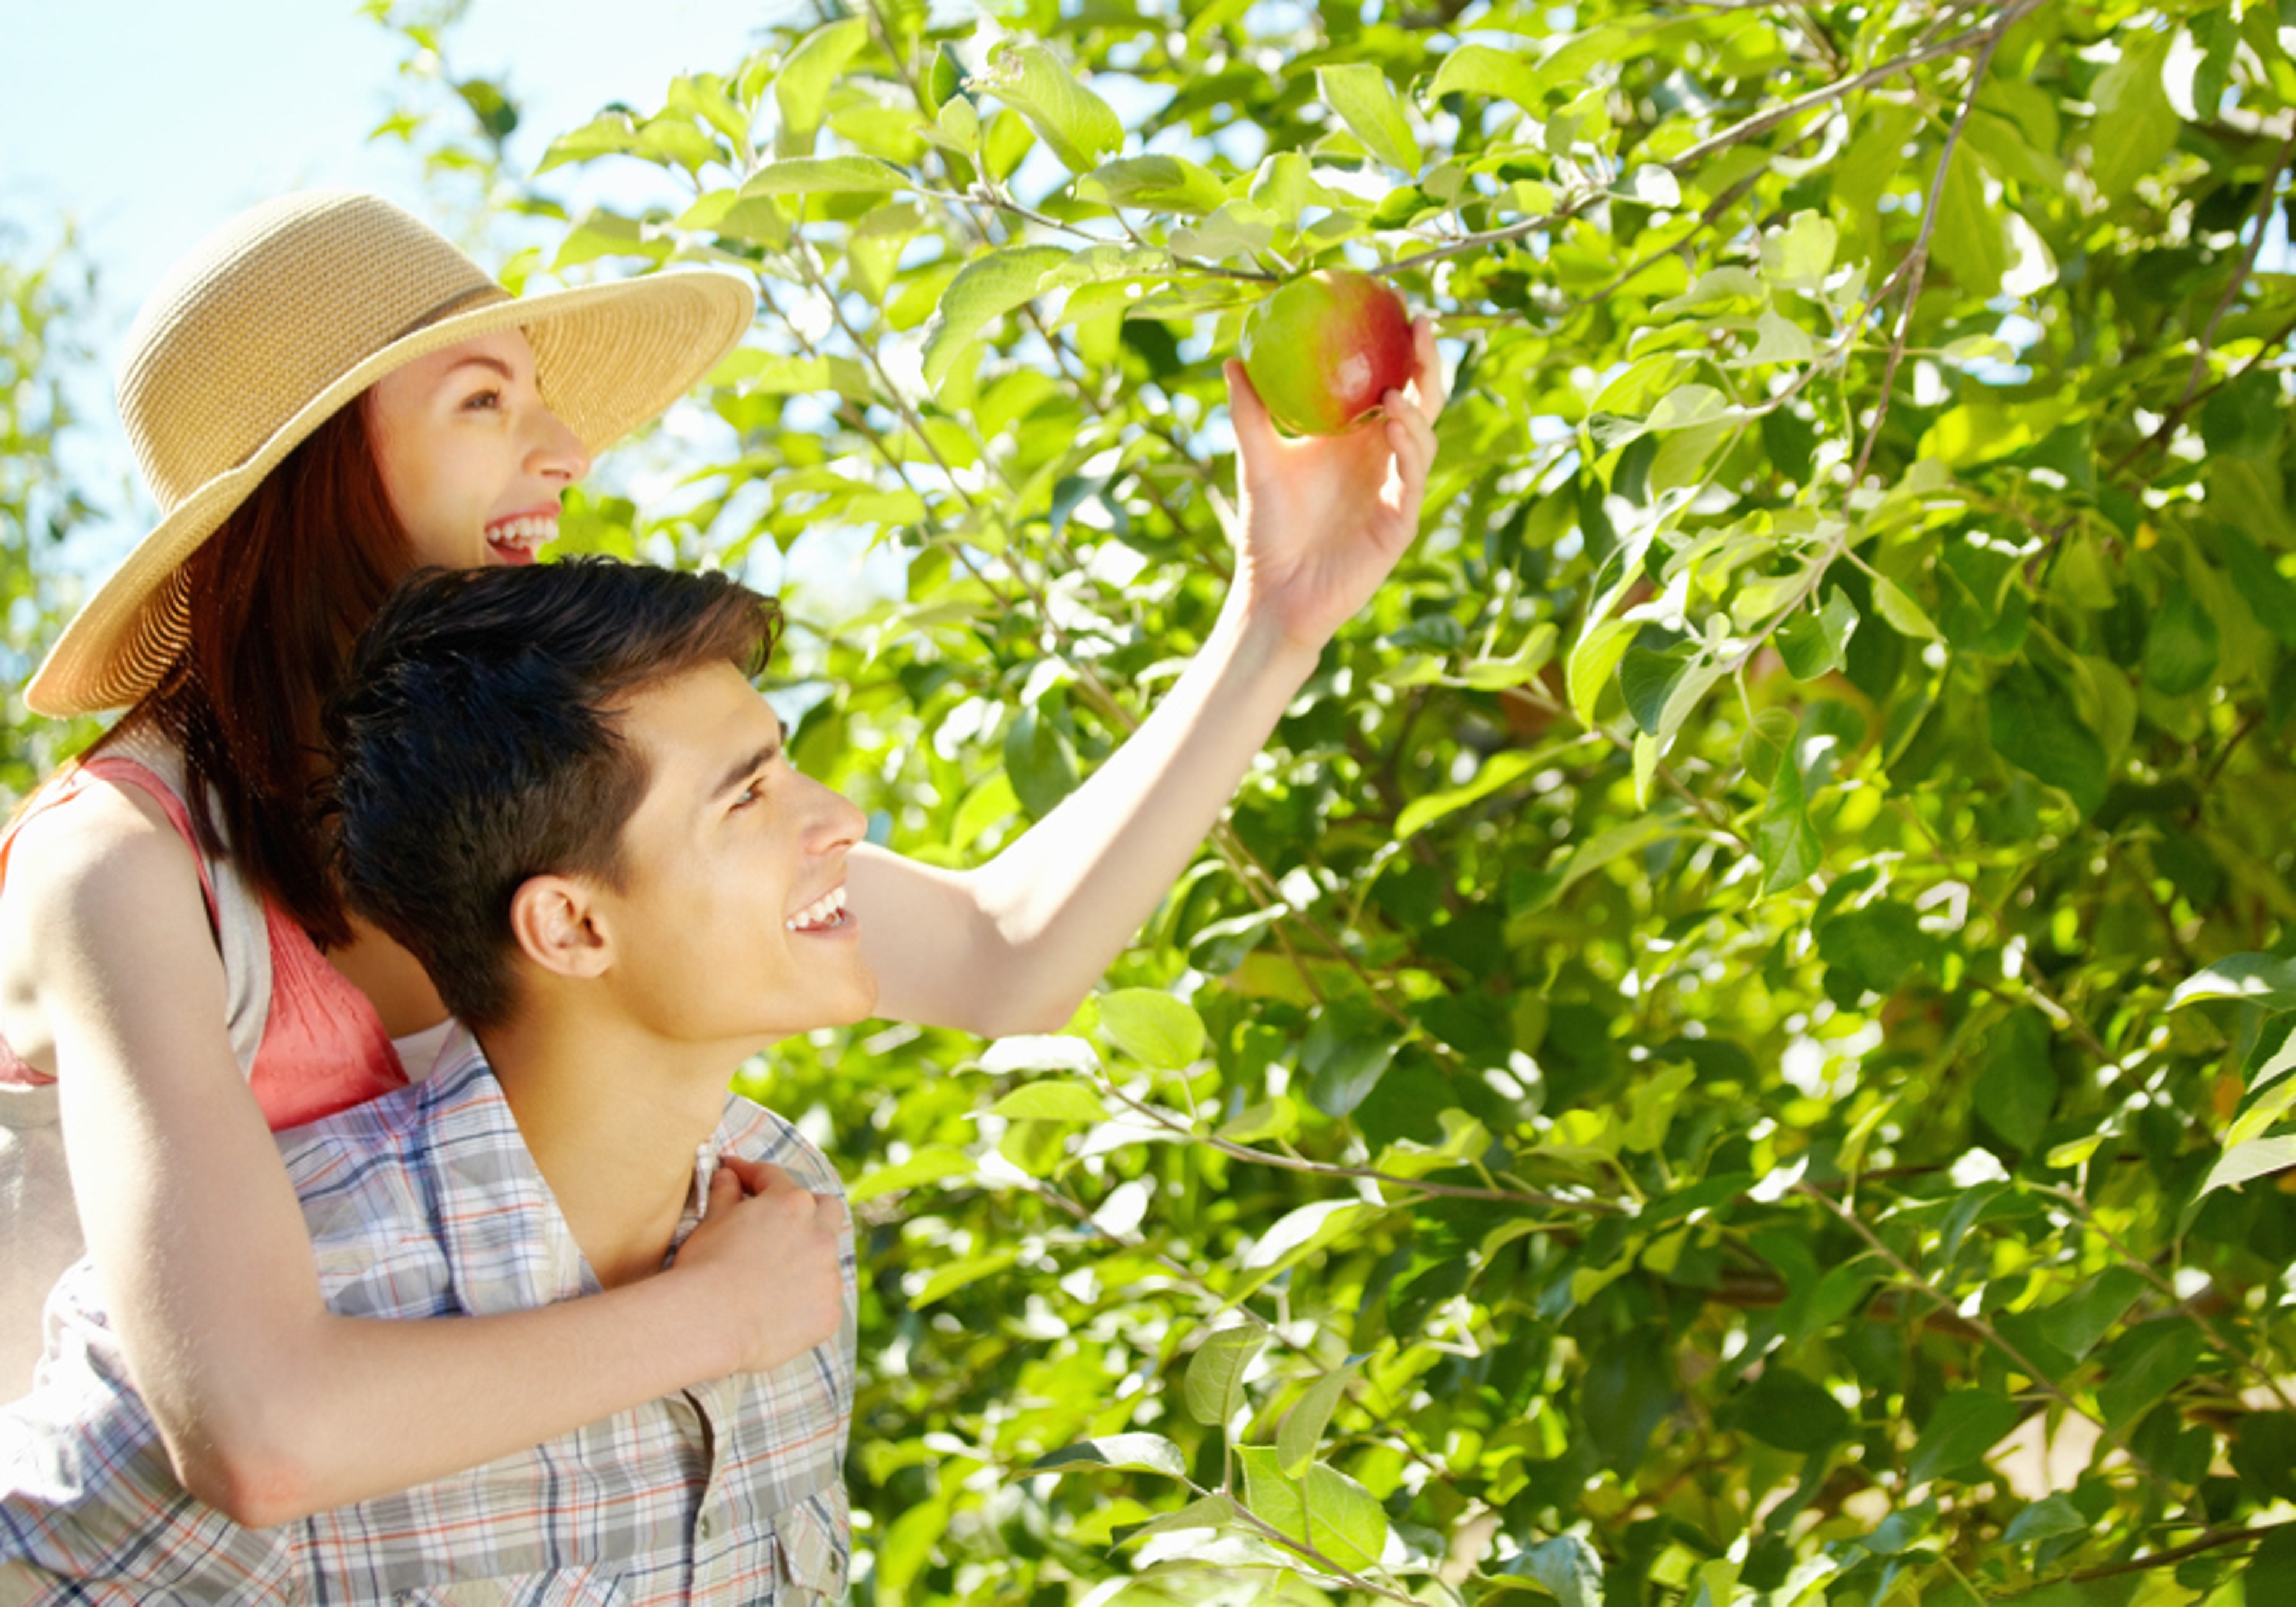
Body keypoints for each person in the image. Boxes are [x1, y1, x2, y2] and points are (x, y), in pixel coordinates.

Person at [0, 188, 1440, 1522]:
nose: (563, 456)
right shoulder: (125, 870)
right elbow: (255, 1431)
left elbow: (1007, 958)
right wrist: (720, 1321)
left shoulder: (532, 775)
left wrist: (1275, 623)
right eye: (486, 401)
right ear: (315, 477)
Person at [2, 559, 865, 1600]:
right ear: (573, 925)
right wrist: (717, 1319)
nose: (844, 818)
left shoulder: (790, 1213)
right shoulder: (293, 1307)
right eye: (751, 796)